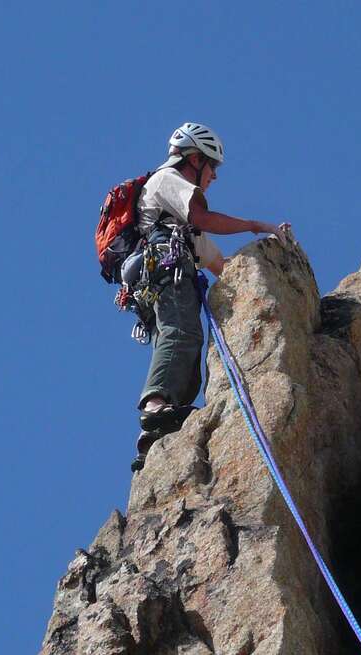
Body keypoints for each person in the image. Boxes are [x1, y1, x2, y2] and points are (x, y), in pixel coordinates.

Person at [129, 122, 289, 471]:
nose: (214, 177)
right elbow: (202, 216)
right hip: (163, 272)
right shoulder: (167, 180)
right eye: (212, 166)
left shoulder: (179, 228)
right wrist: (256, 225)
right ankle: (156, 410)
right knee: (181, 334)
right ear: (195, 158)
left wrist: (273, 256)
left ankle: (160, 440)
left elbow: (221, 264)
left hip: (159, 275)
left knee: (188, 344)